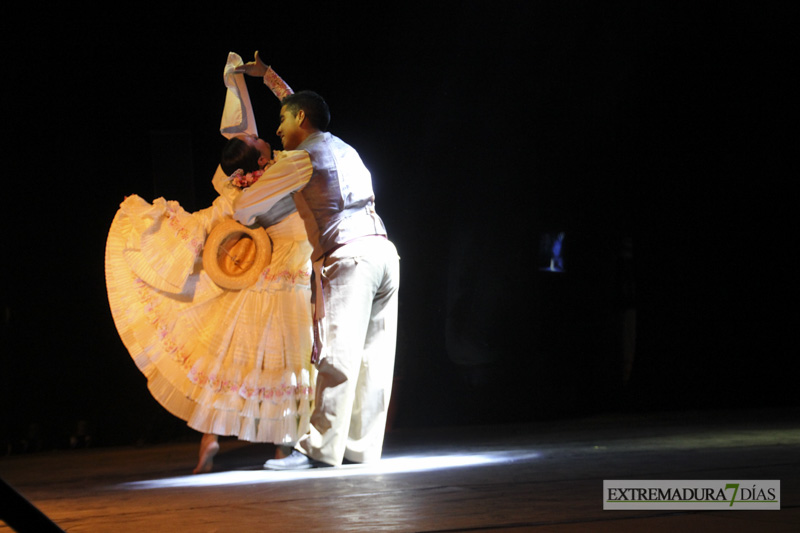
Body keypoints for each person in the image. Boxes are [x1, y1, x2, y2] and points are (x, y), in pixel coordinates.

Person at [105, 57, 315, 474]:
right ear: (257, 163)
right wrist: (266, 79)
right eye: (259, 145)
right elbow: (309, 122)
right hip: (287, 270)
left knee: (230, 359)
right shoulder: (278, 174)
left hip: (256, 276)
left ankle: (211, 438)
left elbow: (246, 132)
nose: (263, 139)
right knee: (284, 359)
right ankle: (282, 447)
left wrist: (238, 80)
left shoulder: (230, 182)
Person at [232, 53, 400, 469]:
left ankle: (319, 448)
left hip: (351, 256)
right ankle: (359, 448)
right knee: (373, 360)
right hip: (385, 252)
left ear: (300, 120)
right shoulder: (341, 145)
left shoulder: (300, 160)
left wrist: (245, 195)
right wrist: (268, 77)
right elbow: (302, 106)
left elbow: (246, 208)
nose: (277, 129)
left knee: (339, 355)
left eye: (283, 122)